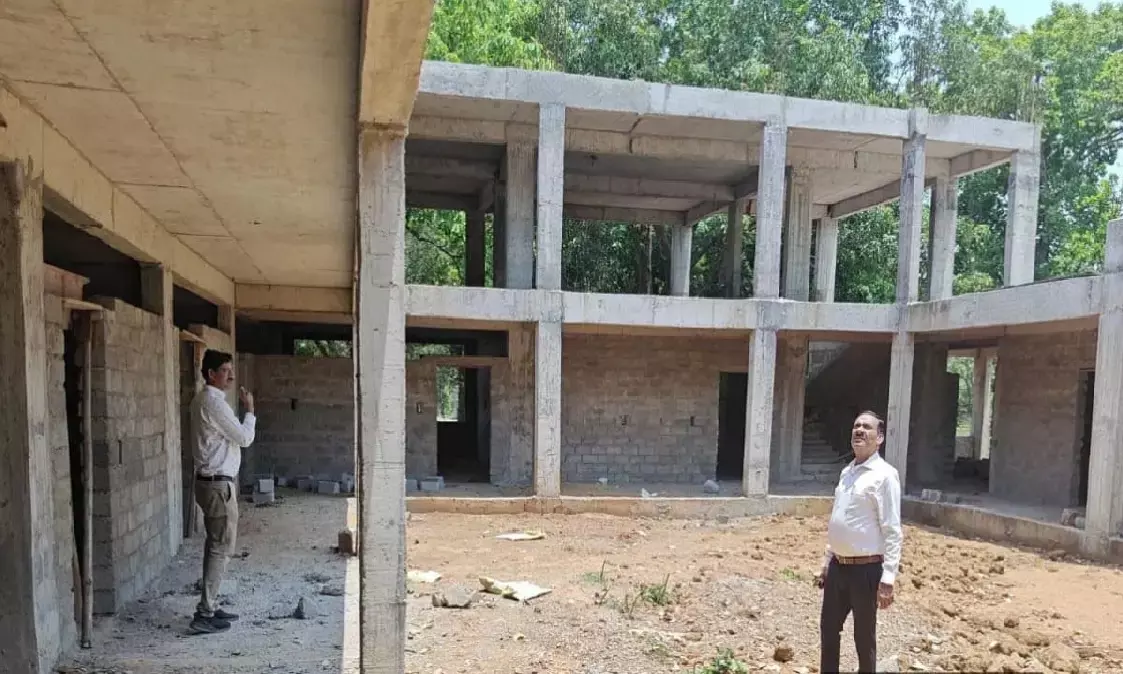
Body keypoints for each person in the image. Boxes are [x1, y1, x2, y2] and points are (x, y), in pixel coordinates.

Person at [816, 410, 903, 674]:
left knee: (863, 638)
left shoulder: (885, 475)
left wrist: (888, 578)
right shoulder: (847, 473)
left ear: (880, 437)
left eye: (867, 427)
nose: (859, 430)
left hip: (866, 571)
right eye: (856, 426)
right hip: (838, 568)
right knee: (829, 630)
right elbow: (840, 519)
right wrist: (827, 559)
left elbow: (892, 529)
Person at [189, 349, 256, 635]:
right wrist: (250, 410)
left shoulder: (206, 400)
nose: (230, 375)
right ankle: (205, 613)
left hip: (210, 482)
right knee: (220, 548)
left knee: (214, 546)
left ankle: (211, 606)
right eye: (225, 370)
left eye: (231, 369)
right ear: (211, 374)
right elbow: (244, 438)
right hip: (218, 485)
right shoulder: (214, 403)